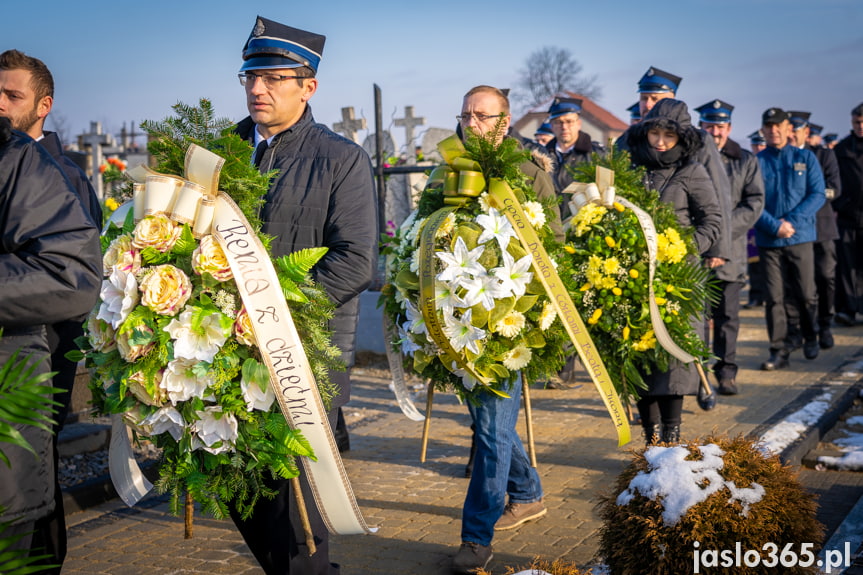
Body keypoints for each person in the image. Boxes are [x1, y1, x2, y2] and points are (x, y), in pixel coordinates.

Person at [229, 16, 379, 575]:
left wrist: (272, 314)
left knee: (287, 490)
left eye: (271, 78)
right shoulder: (221, 152)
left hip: (307, 348)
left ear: (308, 86)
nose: (256, 89)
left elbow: (356, 260)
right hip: (225, 349)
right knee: (237, 480)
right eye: (249, 76)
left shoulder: (341, 159)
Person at [452, 85, 563, 575]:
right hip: (459, 320)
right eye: (467, 116)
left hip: (510, 321)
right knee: (488, 424)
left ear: (505, 121)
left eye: (483, 116)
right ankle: (529, 491)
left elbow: (553, 243)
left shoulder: (528, 173)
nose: (473, 124)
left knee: (493, 431)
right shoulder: (451, 168)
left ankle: (477, 537)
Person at [0, 49, 103, 573]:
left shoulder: (63, 173)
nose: (0, 104)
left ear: (44, 106)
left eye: (12, 95)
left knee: (35, 470)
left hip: (45, 346)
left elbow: (75, 272)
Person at [626, 99, 722, 443]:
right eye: (655, 132)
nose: (661, 141)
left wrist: (683, 249)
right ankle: (650, 442)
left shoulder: (692, 171)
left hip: (678, 280)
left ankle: (672, 437)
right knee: (641, 356)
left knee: (673, 360)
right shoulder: (631, 169)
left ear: (681, 138)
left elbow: (712, 220)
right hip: (634, 278)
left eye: (669, 135)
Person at [695, 99, 764, 396]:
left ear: (729, 128)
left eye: (720, 126)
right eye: (709, 126)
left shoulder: (745, 160)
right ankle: (697, 375)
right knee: (696, 318)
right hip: (696, 251)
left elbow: (755, 202)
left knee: (727, 318)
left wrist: (722, 231)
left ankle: (726, 373)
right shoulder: (692, 157)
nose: (715, 132)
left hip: (731, 253)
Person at [753, 108, 825, 371]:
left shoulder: (805, 158)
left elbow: (817, 194)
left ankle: (810, 334)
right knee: (774, 298)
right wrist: (774, 226)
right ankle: (778, 350)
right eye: (768, 126)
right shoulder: (757, 162)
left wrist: (791, 222)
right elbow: (752, 200)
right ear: (763, 130)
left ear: (788, 128)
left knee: (806, 293)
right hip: (769, 239)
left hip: (799, 236)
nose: (773, 131)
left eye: (778, 126)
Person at [786, 111, 841, 350]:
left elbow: (834, 189)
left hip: (822, 227)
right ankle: (797, 330)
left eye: (796, 130)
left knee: (825, 277)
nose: (791, 135)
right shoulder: (782, 157)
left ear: (805, 132)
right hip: (796, 231)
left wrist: (811, 198)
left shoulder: (824, 155)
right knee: (795, 284)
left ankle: (825, 324)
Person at [544, 96, 604, 212]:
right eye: (558, 122)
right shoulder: (542, 155)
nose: (564, 127)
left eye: (569, 121)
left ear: (579, 123)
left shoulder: (596, 155)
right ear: (551, 126)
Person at [833, 103, 863, 327]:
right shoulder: (842, 149)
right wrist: (841, 204)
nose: (860, 126)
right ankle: (847, 310)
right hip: (847, 218)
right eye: (857, 122)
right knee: (846, 267)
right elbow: (833, 183)